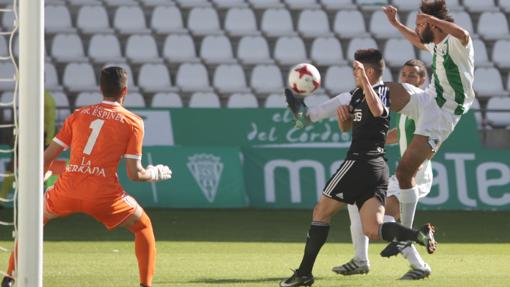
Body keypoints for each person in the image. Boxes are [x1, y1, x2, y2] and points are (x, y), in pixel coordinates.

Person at [1, 67, 172, 287]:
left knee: (32, 221)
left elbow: (46, 158)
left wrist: (42, 176)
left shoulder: (79, 115)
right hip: (104, 195)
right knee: (143, 226)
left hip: (67, 190)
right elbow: (134, 173)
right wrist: (154, 173)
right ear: (125, 91)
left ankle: (10, 277)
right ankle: (145, 285)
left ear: (100, 89)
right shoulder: (133, 122)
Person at [279, 49, 436, 287]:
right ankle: (418, 235)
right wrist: (341, 120)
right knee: (373, 229)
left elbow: (378, 111)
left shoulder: (384, 92)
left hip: (359, 163)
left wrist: (364, 81)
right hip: (376, 168)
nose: (354, 74)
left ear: (368, 71)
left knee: (321, 212)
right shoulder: (355, 95)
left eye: (357, 70)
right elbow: (344, 126)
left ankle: (303, 273)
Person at [332, 59, 434, 280]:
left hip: (415, 174)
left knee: (382, 218)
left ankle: (420, 264)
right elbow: (399, 134)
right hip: (401, 174)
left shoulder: (428, 106)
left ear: (423, 80)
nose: (406, 79)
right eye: (404, 75)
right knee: (356, 201)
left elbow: (435, 139)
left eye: (413, 75)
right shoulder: (410, 106)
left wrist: (414, 168)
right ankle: (360, 260)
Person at [0, 90, 56, 207]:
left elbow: (50, 122)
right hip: (26, 137)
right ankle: (2, 198)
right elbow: (22, 120)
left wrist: (47, 142)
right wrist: (16, 136)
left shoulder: (46, 100)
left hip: (39, 138)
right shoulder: (30, 97)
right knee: (14, 166)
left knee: (36, 170)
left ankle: (40, 201)